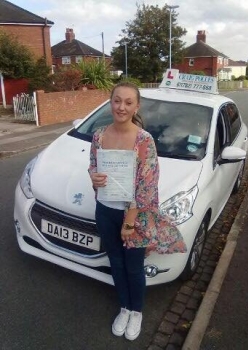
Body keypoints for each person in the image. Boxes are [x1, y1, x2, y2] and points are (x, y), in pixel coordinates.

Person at [88, 81, 187, 341]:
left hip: (134, 216)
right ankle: (124, 307)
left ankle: (137, 311)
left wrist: (129, 222)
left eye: (128, 102)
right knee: (116, 263)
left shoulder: (144, 140)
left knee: (133, 266)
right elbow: (92, 165)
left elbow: (148, 184)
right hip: (105, 210)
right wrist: (94, 177)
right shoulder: (99, 135)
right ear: (111, 102)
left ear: (136, 107)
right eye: (117, 100)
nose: (121, 107)